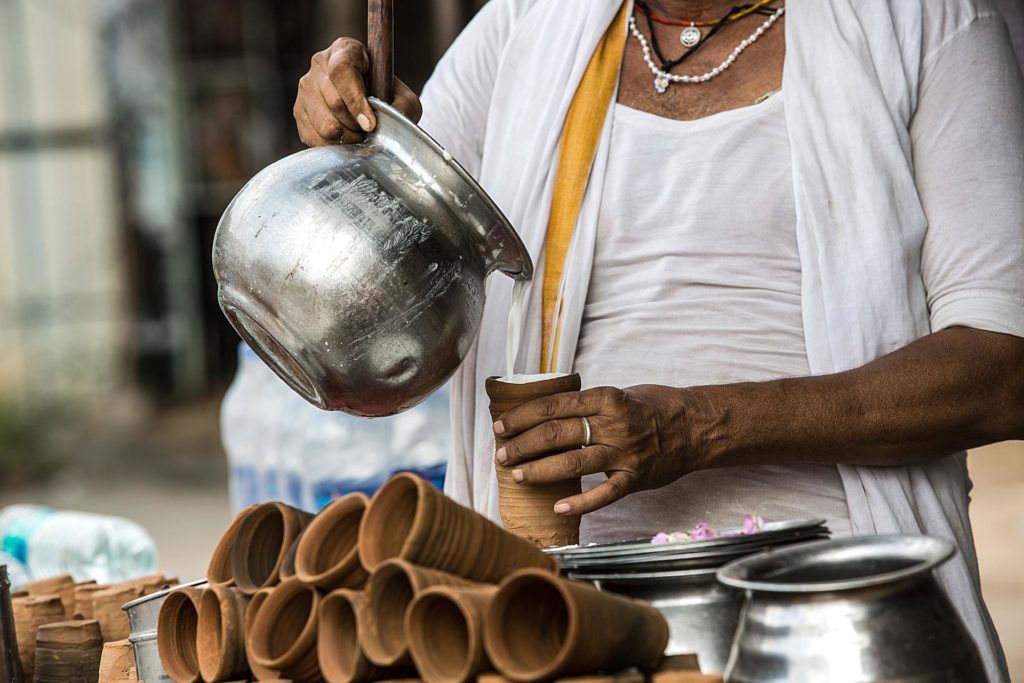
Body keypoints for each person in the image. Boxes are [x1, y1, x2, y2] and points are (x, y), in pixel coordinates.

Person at [293, 1, 1023, 679]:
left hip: (833, 605)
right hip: (561, 624)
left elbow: (1004, 368)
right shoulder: (529, 23)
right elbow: (396, 235)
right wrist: (346, 127)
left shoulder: (930, 22)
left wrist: (699, 426)